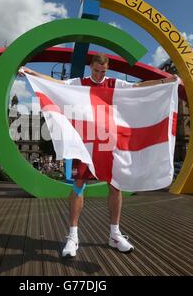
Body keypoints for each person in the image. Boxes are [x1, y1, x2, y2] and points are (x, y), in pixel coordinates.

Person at [19, 53, 177, 258]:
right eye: (96, 70)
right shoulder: (78, 83)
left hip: (110, 142)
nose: (100, 74)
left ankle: (115, 234)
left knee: (116, 185)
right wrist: (33, 73)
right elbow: (56, 83)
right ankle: (73, 236)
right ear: (91, 67)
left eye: (103, 71)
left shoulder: (115, 83)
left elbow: (138, 87)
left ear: (107, 68)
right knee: (78, 184)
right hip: (86, 142)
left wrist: (165, 81)